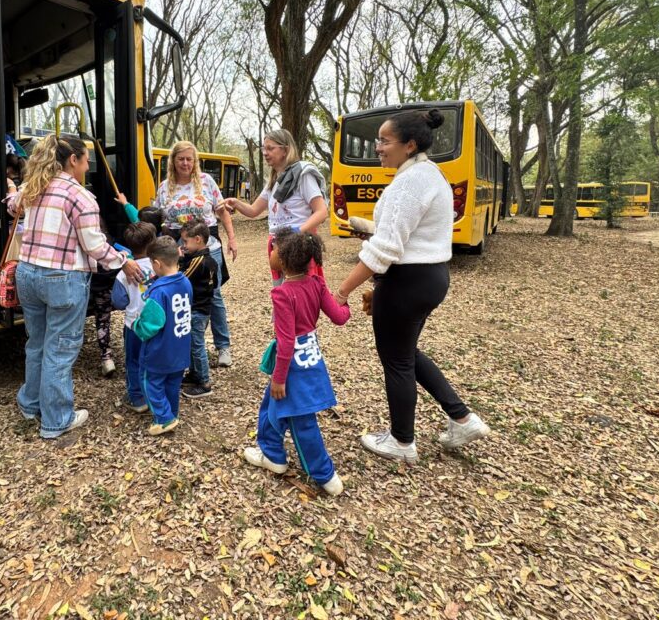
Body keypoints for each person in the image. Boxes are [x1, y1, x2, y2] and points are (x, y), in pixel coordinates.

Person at [333, 109, 490, 464]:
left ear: (410, 145)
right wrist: (373, 234)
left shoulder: (409, 182)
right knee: (407, 354)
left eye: (385, 141)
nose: (378, 148)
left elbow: (387, 249)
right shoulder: (429, 174)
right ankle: (461, 417)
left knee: (398, 361)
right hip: (429, 277)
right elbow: (411, 233)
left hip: (407, 281)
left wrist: (341, 291)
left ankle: (402, 442)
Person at [7, 134, 143, 439]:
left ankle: (30, 405)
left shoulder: (34, 186)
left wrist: (12, 188)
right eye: (86, 159)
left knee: (37, 343)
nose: (88, 165)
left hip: (27, 274)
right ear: (73, 161)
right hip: (62, 279)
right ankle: (56, 420)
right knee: (61, 348)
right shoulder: (81, 196)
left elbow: (12, 205)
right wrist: (124, 260)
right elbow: (94, 245)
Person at [243, 229, 349, 496]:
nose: (270, 252)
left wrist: (279, 377)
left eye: (274, 248)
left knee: (302, 420)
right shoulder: (316, 284)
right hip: (311, 357)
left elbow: (286, 341)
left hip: (292, 365)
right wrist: (345, 304)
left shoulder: (282, 294)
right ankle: (272, 454)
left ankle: (325, 474)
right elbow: (338, 317)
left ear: (284, 259)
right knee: (271, 403)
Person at [153, 141, 237, 367]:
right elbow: (157, 217)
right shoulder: (164, 187)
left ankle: (223, 346)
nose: (185, 163)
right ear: (173, 161)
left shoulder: (206, 182)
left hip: (207, 243)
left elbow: (222, 212)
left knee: (214, 294)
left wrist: (232, 238)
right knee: (179, 293)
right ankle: (181, 344)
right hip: (177, 243)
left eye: (189, 159)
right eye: (181, 158)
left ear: (195, 161)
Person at [221, 130, 328, 284]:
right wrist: (235, 202)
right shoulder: (274, 180)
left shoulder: (303, 175)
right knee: (282, 292)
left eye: (270, 148)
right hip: (278, 245)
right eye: (264, 149)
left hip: (298, 245)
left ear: (285, 150)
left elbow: (322, 212)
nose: (265, 153)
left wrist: (297, 233)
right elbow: (253, 211)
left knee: (303, 294)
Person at [133, 237, 193, 436]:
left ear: (156, 263)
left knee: (150, 382)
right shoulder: (185, 282)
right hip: (181, 348)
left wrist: (136, 325)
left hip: (159, 352)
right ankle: (172, 412)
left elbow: (151, 325)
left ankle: (164, 418)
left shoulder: (158, 292)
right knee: (172, 383)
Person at [111, 221, 158, 413]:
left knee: (133, 361)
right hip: (157, 323)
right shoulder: (160, 265)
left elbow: (119, 302)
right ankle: (156, 395)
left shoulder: (124, 273)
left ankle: (137, 398)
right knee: (155, 359)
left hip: (134, 325)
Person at [178, 220, 218, 398]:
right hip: (202, 308)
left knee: (197, 345)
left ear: (198, 239)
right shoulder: (209, 260)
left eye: (185, 242)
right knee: (193, 343)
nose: (183, 246)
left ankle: (204, 382)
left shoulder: (198, 261)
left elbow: (182, 277)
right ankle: (194, 373)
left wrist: (179, 259)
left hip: (197, 310)